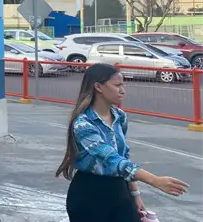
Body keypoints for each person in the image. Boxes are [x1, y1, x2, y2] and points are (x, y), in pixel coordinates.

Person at [56, 63, 188, 221]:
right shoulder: (83, 124)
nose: (122, 90)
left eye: (122, 85)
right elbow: (112, 158)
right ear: (98, 87)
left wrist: (135, 194)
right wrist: (154, 180)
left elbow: (124, 156)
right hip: (89, 194)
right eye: (117, 85)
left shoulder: (120, 116)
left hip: (120, 190)